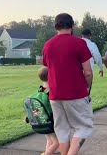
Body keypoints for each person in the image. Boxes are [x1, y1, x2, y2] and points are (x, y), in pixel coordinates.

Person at [42, 13, 93, 155]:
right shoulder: (79, 43)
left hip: (55, 94)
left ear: (56, 26)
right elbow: (88, 72)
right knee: (83, 127)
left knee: (62, 130)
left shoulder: (48, 45)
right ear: (72, 25)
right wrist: (87, 87)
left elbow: (47, 67)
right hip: (76, 93)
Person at [36, 67, 59, 155]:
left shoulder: (40, 90)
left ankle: (48, 152)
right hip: (50, 121)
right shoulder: (50, 91)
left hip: (43, 120)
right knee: (56, 142)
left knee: (49, 140)